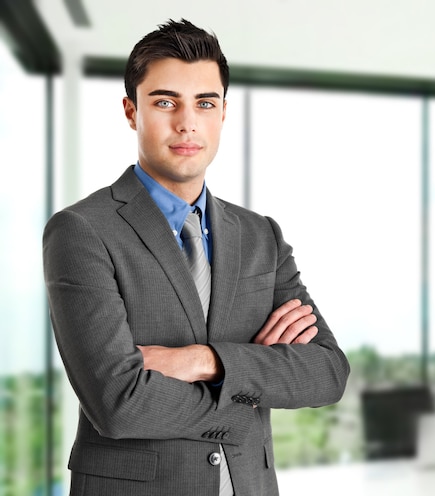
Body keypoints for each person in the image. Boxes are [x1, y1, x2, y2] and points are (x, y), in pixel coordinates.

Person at [43, 19, 349, 496]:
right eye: (165, 102)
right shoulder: (82, 231)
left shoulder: (259, 235)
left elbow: (327, 372)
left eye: (204, 103)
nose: (187, 123)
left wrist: (204, 361)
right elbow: (117, 403)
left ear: (223, 112)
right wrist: (252, 389)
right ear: (131, 110)